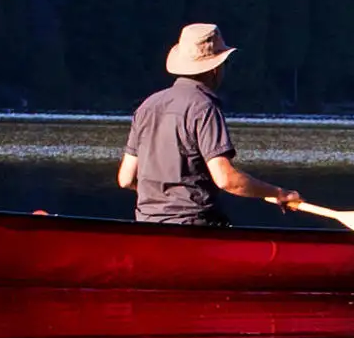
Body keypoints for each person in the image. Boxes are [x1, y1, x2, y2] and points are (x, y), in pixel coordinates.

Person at [120, 20, 301, 228]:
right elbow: (226, 179)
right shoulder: (204, 107)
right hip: (194, 225)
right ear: (215, 69)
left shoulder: (147, 106)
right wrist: (279, 193)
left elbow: (125, 179)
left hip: (147, 223)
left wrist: (162, 197)